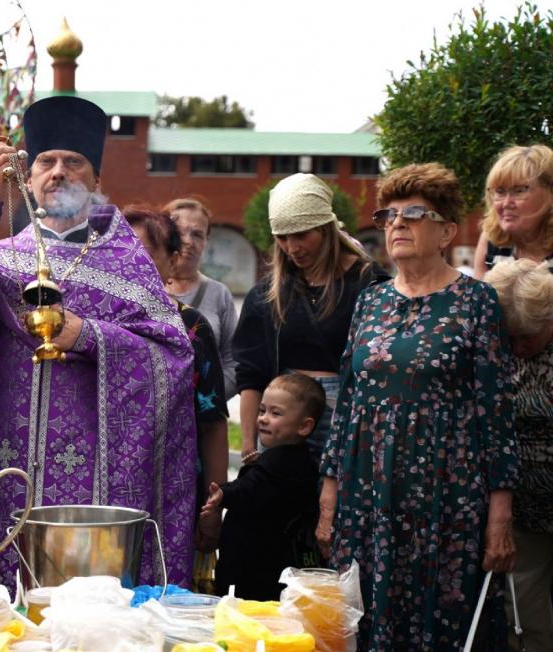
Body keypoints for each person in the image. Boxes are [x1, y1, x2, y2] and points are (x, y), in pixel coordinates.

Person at [0, 95, 196, 590]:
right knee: (3, 601)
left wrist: (90, 336)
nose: (59, 172)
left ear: (97, 179)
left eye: (74, 162)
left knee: (84, 604)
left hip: (94, 468)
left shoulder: (127, 264)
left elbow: (171, 356)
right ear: (28, 177)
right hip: (5, 458)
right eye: (46, 161)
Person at [318, 162, 519, 650]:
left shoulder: (476, 302)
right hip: (367, 495)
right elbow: (347, 403)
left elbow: (496, 414)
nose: (397, 224)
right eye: (388, 215)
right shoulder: (370, 301)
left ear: (447, 231)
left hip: (446, 499)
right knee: (364, 615)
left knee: (443, 620)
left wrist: (499, 517)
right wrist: (328, 496)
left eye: (413, 214)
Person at [233, 173, 386, 469]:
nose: (292, 248)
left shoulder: (370, 284)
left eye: (301, 235)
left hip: (348, 416)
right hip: (281, 421)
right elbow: (251, 371)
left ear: (326, 228)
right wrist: (249, 445)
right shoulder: (268, 293)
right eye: (282, 237)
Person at [123, 206, 229, 552]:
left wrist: (213, 509)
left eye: (143, 253)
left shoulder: (191, 326)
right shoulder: (86, 324)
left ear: (171, 262)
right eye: (119, 251)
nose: (128, 262)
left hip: (174, 493)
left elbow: (212, 424)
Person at [201, 373, 323, 600]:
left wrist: (223, 493)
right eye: (262, 410)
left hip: (256, 576)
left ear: (304, 426)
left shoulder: (281, 463)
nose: (264, 419)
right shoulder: (297, 460)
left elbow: (249, 488)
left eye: (275, 413)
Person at [484, 258, 553, 651]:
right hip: (522, 503)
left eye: (527, 336)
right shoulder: (492, 349)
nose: (518, 347)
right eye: (509, 338)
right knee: (524, 608)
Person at [163, 198, 238, 398]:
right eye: (179, 232)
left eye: (197, 234)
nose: (188, 241)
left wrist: (206, 401)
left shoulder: (219, 294)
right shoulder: (145, 289)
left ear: (206, 241)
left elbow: (233, 362)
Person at [473, 144, 553, 278]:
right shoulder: (491, 238)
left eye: (519, 191)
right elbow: (481, 290)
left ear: (550, 192)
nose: (506, 203)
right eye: (500, 192)